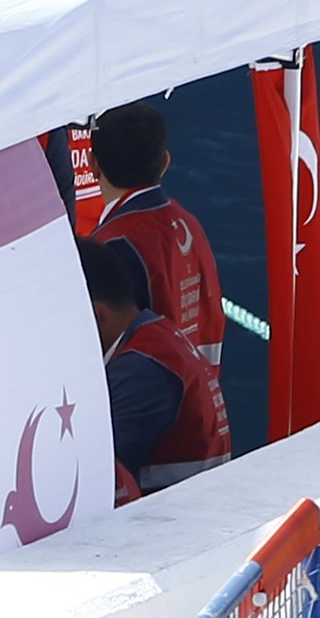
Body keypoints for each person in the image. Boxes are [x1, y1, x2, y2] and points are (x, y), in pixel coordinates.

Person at [82, 104, 223, 369]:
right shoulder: (189, 224)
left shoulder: (110, 246)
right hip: (201, 391)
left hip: (141, 402)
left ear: (92, 165)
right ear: (165, 161)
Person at [83, 241, 228, 497]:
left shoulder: (139, 374)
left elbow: (92, 481)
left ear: (96, 316)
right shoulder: (159, 336)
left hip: (177, 522)